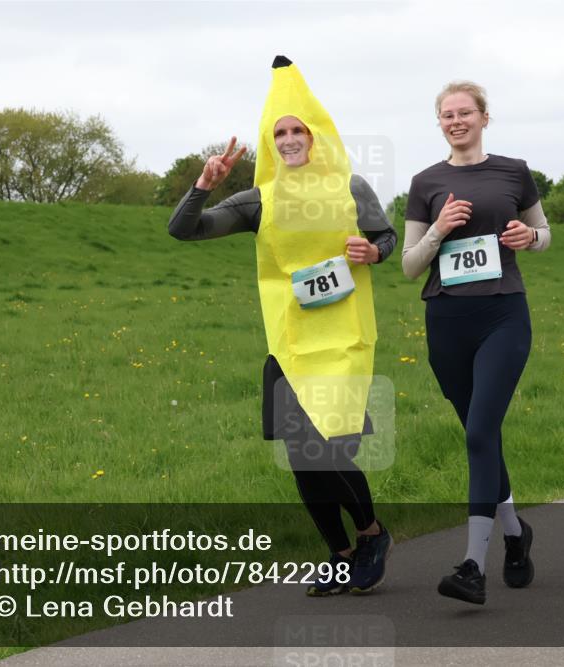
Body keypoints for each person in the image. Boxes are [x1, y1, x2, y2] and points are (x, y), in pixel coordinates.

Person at [168, 56, 396, 596]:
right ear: (270, 143)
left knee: (328, 449)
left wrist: (373, 252)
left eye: (299, 130)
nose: (291, 139)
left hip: (342, 339)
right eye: (281, 132)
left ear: (316, 136)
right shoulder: (258, 199)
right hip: (289, 342)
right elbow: (185, 229)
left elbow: (386, 238)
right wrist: (203, 184)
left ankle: (372, 533)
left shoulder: (352, 187)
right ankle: (339, 556)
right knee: (299, 457)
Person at [402, 80, 551, 605]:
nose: (457, 120)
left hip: (502, 316)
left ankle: (471, 565)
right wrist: (439, 228)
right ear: (439, 123)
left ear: (485, 118)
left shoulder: (513, 171)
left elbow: (544, 234)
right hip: (446, 320)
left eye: (466, 112)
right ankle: (515, 534)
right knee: (479, 436)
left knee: (480, 431)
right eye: (447, 114)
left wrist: (528, 238)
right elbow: (408, 265)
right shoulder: (426, 182)